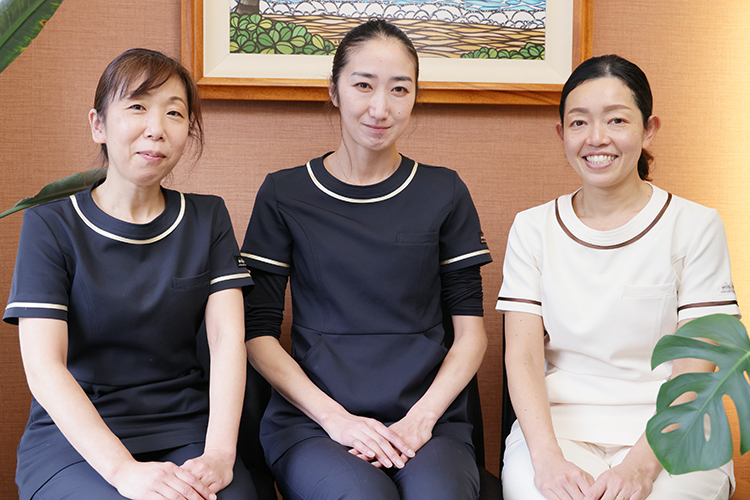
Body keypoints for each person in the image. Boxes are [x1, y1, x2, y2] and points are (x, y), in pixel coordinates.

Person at [240, 19, 492, 500]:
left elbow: (470, 334)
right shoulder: (284, 192)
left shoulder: (444, 191)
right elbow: (257, 333)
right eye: (363, 85)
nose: (381, 108)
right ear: (333, 90)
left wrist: (420, 420)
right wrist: (337, 420)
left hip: (428, 419)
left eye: (399, 89)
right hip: (315, 422)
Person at [4, 48, 256, 500]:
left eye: (174, 113)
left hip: (186, 428)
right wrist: (123, 471)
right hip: (76, 437)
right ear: (98, 125)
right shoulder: (51, 225)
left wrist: (219, 454)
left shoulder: (207, 218)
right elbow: (43, 367)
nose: (156, 128)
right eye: (137, 106)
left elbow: (226, 340)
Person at [496, 54, 740, 500]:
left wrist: (641, 467)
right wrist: (547, 459)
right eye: (579, 122)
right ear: (562, 134)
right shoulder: (532, 228)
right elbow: (524, 356)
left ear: (648, 129)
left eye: (617, 120)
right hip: (560, 428)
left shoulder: (695, 225)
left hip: (675, 428)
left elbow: (696, 360)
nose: (597, 138)